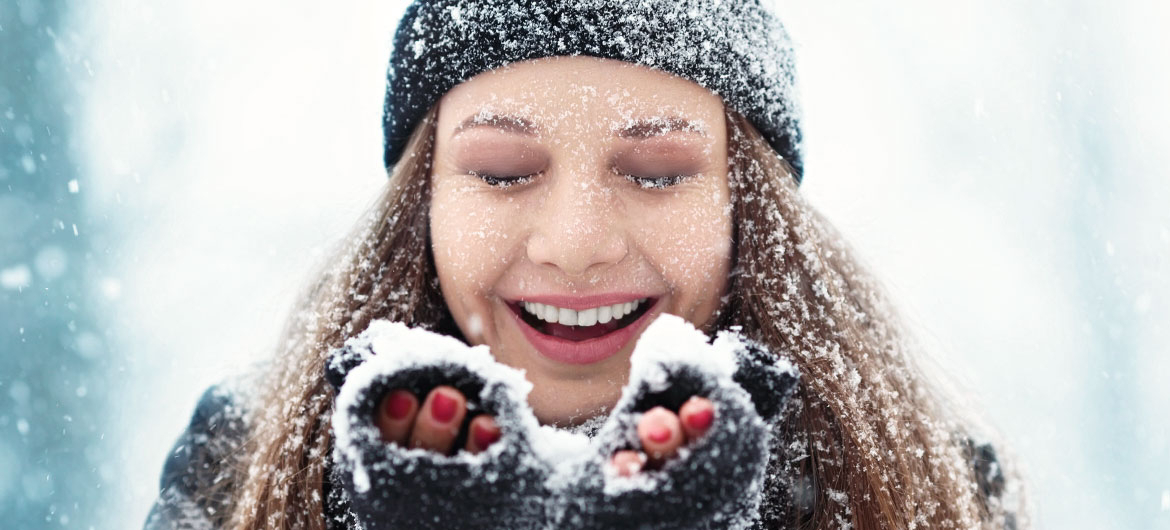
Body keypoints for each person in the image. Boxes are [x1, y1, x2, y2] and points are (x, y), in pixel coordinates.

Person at [145, 1, 1026, 529]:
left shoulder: (921, 486)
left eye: (657, 174)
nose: (575, 242)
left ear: (746, 204)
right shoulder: (245, 464)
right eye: (502, 171)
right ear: (424, 201)